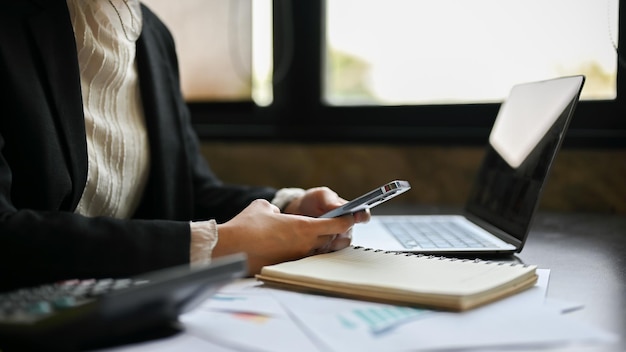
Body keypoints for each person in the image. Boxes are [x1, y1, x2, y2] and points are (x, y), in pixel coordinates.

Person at [0, 0, 369, 292]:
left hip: (129, 304)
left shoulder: (153, 36)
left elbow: (187, 191)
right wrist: (216, 245)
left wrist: (289, 206)